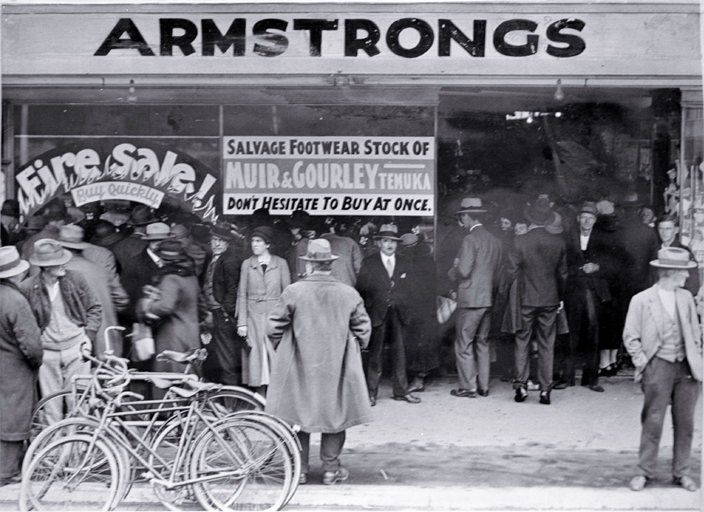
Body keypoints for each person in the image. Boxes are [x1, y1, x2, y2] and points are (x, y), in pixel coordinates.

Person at [266, 238, 372, 485]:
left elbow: (273, 326)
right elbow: (364, 330)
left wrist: (282, 347)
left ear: (310, 265)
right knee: (335, 415)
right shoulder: (348, 293)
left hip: (299, 363)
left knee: (298, 416)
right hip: (337, 365)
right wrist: (353, 348)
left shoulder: (293, 291)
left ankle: (300, 470)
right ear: (330, 265)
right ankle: (330, 470)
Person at [623, 247, 703, 493]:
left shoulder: (686, 298)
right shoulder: (641, 300)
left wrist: (697, 356)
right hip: (658, 366)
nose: (687, 277)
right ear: (670, 272)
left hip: (686, 368)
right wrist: (643, 363)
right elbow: (631, 337)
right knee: (653, 421)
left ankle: (682, 473)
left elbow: (694, 331)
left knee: (685, 423)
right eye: (684, 272)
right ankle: (643, 472)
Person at [20, 239, 101, 424]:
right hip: (48, 353)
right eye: (58, 262)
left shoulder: (76, 278)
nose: (64, 264)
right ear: (46, 267)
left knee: (79, 403)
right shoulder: (28, 287)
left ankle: (79, 448)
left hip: (77, 349)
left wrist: (88, 337)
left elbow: (95, 308)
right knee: (51, 406)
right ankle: (54, 448)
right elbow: (25, 322)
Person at [505, 197, 567, 405]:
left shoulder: (520, 241)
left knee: (522, 341)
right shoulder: (558, 242)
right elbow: (563, 274)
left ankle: (521, 386)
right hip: (550, 298)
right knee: (547, 344)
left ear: (530, 219)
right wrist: (560, 298)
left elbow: (512, 272)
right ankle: (545, 390)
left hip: (525, 299)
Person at [357, 223, 420, 405]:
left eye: (393, 242)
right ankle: (371, 393)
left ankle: (401, 391)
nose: (390, 245)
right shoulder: (369, 262)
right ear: (379, 243)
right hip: (378, 312)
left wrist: (403, 303)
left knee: (400, 353)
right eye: (386, 241)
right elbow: (361, 288)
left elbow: (412, 289)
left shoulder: (404, 262)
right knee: (375, 355)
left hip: (399, 313)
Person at [448, 197, 503, 398]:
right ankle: (484, 386)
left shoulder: (469, 239)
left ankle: (468, 387)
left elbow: (463, 270)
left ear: (468, 217)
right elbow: (497, 273)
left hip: (470, 300)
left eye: (462, 217)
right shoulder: (495, 241)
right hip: (487, 298)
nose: (462, 221)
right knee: (483, 342)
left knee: (463, 343)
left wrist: (452, 270)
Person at [0, 246, 42, 486]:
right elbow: (32, 345)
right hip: (15, 369)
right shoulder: (16, 300)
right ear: (14, 275)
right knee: (14, 419)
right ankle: (6, 471)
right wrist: (36, 362)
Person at [563, 201, 615, 393]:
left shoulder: (603, 239)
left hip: (594, 290)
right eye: (584, 217)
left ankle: (591, 379)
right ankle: (567, 377)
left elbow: (615, 264)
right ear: (578, 219)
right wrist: (575, 270)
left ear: (595, 220)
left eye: (591, 218)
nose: (587, 221)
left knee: (593, 333)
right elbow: (561, 264)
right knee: (570, 333)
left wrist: (598, 267)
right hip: (574, 288)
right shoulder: (568, 238)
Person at [58, 224, 129, 357]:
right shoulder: (100, 270)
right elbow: (121, 299)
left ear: (61, 247)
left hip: (74, 341)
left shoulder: (59, 273)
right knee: (106, 375)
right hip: (105, 338)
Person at [237, 226, 291, 394]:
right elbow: (242, 294)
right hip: (253, 317)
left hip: (275, 316)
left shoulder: (281, 263)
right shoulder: (247, 264)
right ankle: (259, 398)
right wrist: (242, 323)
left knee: (274, 355)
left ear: (268, 244)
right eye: (253, 241)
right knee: (256, 357)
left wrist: (286, 320)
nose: (255, 244)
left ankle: (275, 398)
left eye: (259, 241)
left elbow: (287, 294)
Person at [140, 240, 201, 376]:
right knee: (189, 376)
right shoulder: (191, 277)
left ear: (163, 260)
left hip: (173, 336)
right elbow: (200, 304)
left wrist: (148, 305)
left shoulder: (170, 279)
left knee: (169, 377)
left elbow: (166, 306)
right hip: (191, 334)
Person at [202, 221, 248, 385]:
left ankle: (230, 403)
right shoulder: (214, 258)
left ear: (228, 242)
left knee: (227, 361)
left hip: (221, 315)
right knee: (217, 359)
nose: (217, 243)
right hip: (212, 314)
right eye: (214, 239)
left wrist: (224, 312)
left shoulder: (229, 261)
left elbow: (233, 290)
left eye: (221, 240)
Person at [399, 232, 439, 392]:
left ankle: (417, 380)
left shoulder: (411, 261)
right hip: (427, 308)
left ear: (409, 247)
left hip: (415, 309)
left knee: (416, 344)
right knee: (424, 343)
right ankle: (420, 377)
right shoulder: (428, 259)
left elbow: (408, 285)